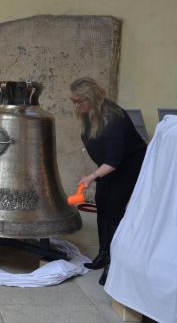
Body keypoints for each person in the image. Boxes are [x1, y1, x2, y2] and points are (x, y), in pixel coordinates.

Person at [69, 77, 146, 285]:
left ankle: (113, 262)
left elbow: (114, 160)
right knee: (102, 205)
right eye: (73, 101)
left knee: (113, 211)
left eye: (80, 101)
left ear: (92, 98)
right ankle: (103, 255)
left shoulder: (114, 118)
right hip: (110, 165)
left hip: (128, 166)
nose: (76, 105)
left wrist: (93, 176)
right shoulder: (89, 113)